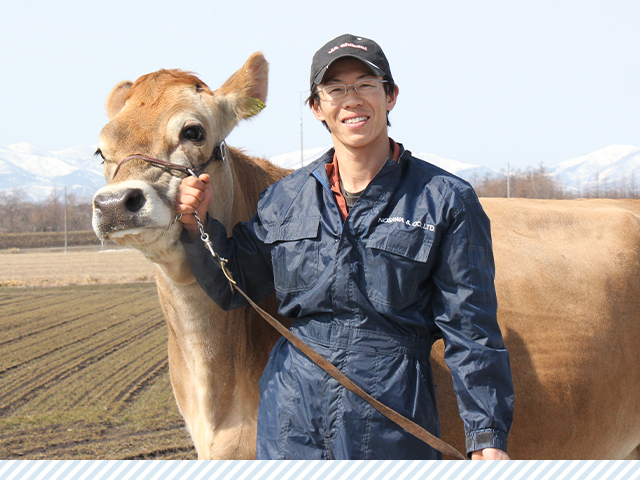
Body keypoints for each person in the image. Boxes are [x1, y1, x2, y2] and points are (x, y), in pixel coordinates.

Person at [177, 34, 514, 460]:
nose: (351, 100)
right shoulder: (286, 198)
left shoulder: (444, 199)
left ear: (390, 96)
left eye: (365, 85)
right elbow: (233, 285)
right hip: (291, 414)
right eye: (335, 89)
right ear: (317, 107)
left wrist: (487, 435)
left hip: (393, 410)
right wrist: (196, 224)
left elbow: (471, 327)